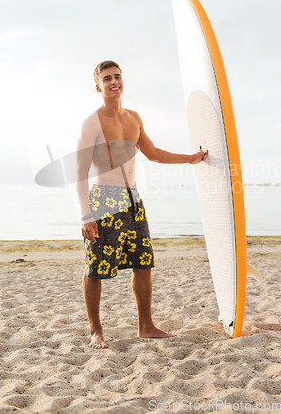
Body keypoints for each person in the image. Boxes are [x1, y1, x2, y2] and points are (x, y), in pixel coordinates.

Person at [76, 60, 208, 349]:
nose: (114, 82)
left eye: (118, 76)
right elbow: (79, 171)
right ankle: (96, 330)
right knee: (96, 266)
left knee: (143, 262)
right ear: (98, 86)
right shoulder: (92, 122)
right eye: (107, 78)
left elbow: (153, 153)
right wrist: (86, 214)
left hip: (133, 199)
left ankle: (146, 326)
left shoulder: (134, 118)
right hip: (104, 201)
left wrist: (190, 158)